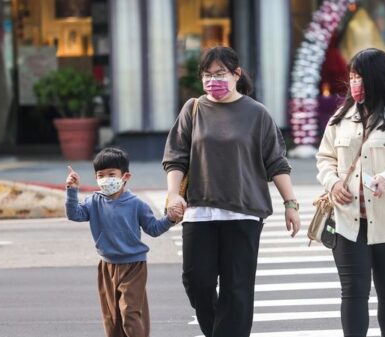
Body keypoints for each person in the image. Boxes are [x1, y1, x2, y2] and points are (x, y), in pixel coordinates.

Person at [162, 46, 301, 337]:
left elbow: (275, 161)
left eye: (220, 73)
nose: (213, 80)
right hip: (200, 211)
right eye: (207, 75)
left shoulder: (256, 113)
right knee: (196, 281)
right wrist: (173, 193)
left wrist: (291, 203)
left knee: (236, 290)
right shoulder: (194, 109)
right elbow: (176, 156)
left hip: (243, 211)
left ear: (237, 74)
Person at [316, 48, 385, 337]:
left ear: (377, 79)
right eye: (351, 77)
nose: (354, 84)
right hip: (348, 221)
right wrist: (333, 183)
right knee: (353, 291)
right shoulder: (340, 118)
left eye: (360, 77)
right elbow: (324, 157)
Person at [65, 147, 181, 337]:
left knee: (130, 313)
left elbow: (153, 229)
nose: (105, 179)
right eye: (100, 175)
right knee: (112, 319)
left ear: (125, 176)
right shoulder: (94, 201)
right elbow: (74, 214)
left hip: (133, 266)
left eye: (111, 174)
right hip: (107, 266)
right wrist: (72, 190)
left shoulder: (137, 204)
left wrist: (169, 219)